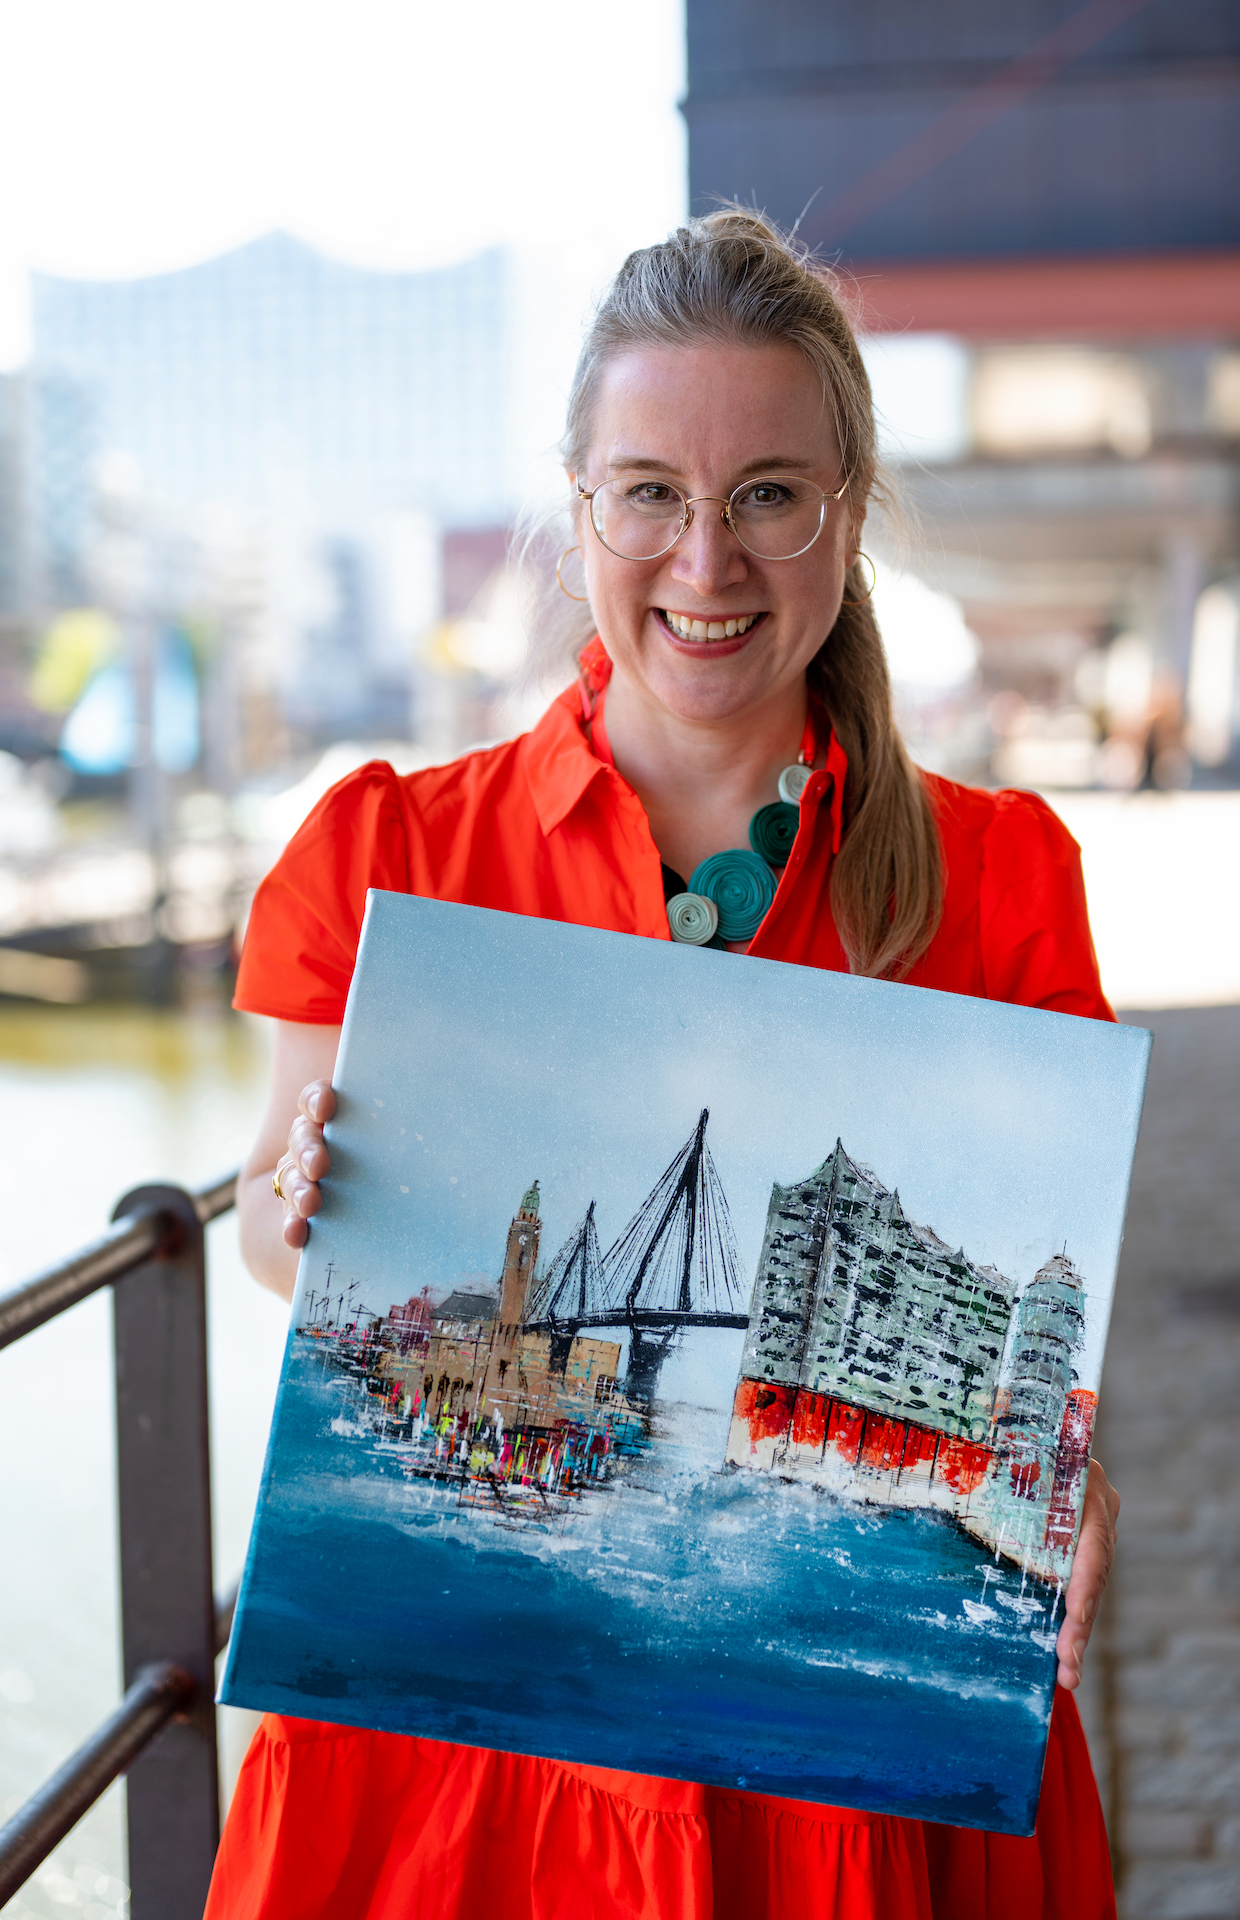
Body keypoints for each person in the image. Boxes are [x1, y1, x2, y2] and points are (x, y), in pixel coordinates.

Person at [207, 209, 1120, 1920]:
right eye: (650, 493)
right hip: (459, 1768)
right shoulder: (387, 853)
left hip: (840, 1777)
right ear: (579, 509)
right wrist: (297, 1195)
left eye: (769, 494)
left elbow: (1036, 1312)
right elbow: (271, 1231)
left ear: (845, 520)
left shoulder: (1000, 882)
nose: (705, 561)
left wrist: (1073, 1484)